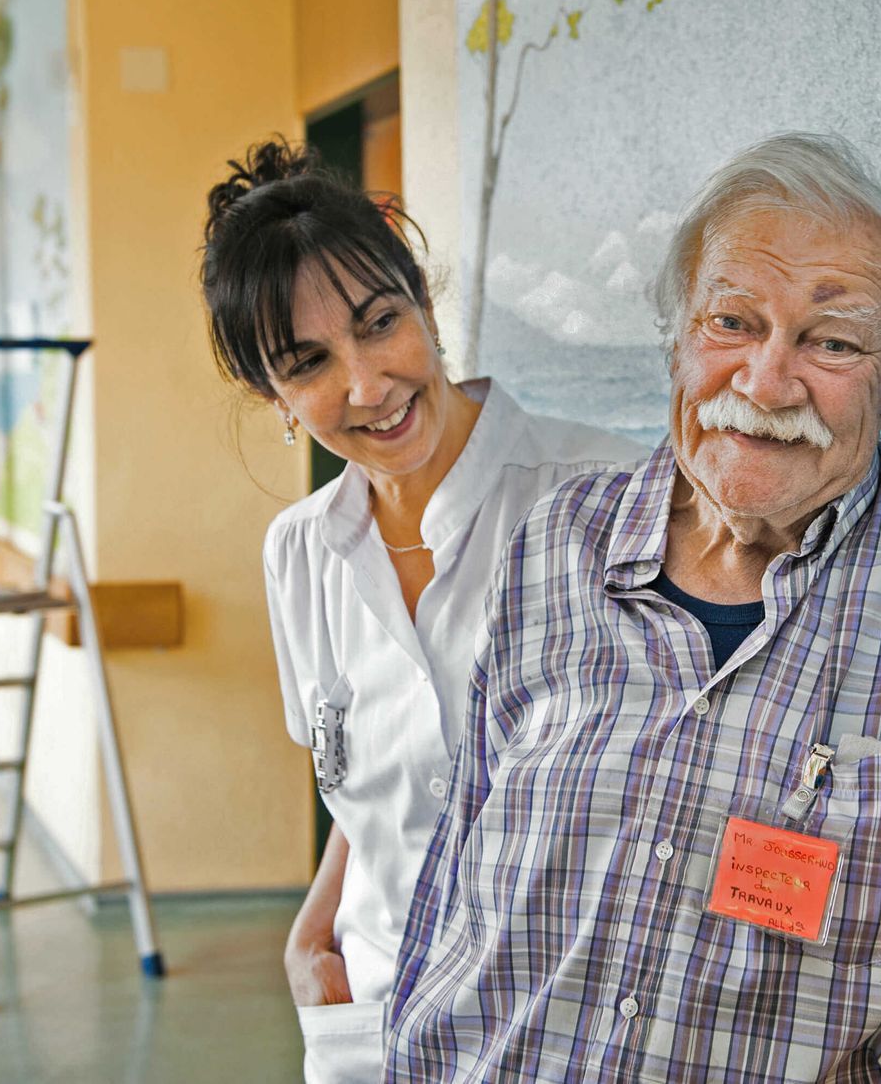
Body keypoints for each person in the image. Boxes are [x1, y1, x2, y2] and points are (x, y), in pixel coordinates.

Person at [386, 133, 881, 1082]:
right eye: (733, 323)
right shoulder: (559, 541)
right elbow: (458, 876)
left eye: (832, 341)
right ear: (678, 343)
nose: (765, 382)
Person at [198, 141, 642, 1084]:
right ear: (272, 396)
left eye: (380, 322)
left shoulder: (609, 499)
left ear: (425, 305)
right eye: (308, 362)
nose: (366, 385)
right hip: (378, 1018)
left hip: (578, 1032)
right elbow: (362, 786)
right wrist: (313, 927)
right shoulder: (302, 554)